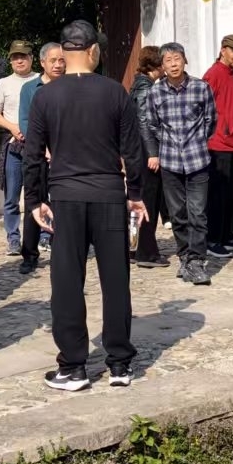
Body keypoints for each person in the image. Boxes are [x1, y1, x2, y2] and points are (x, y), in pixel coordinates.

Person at [23, 19, 146, 391]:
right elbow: (133, 151)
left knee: (66, 282)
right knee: (116, 279)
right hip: (109, 195)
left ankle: (73, 366)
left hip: (66, 197)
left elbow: (33, 154)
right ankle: (120, 363)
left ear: (63, 53)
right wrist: (135, 194)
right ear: (94, 51)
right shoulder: (115, 92)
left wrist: (35, 199)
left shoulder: (46, 96)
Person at [141, 41, 216, 285]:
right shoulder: (155, 92)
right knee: (178, 214)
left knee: (198, 213)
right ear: (162, 66)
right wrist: (162, 145)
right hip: (170, 161)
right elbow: (151, 124)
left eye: (177, 59)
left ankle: (196, 261)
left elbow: (210, 120)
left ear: (185, 61)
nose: (173, 64)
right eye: (168, 61)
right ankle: (184, 256)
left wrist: (197, 140)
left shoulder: (200, 88)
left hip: (197, 160)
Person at [15, 42, 65, 276]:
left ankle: (61, 249)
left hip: (64, 155)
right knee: (34, 203)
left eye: (61, 60)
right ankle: (29, 254)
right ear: (43, 62)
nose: (58, 65)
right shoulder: (30, 89)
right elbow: (25, 121)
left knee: (62, 203)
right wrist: (42, 148)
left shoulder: (69, 86)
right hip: (36, 155)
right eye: (53, 60)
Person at [0, 40, 38, 255]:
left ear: (31, 58)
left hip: (38, 144)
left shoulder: (41, 80)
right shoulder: (4, 83)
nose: (19, 60)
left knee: (39, 192)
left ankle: (43, 236)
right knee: (12, 196)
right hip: (14, 144)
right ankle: (13, 238)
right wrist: (12, 127)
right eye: (15, 57)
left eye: (23, 56)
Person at [202, 35, 233, 257]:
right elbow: (202, 105)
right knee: (218, 195)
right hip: (219, 144)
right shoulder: (214, 74)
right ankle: (213, 239)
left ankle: (227, 235)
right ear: (223, 50)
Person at [128, 45, 170, 268]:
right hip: (146, 154)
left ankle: (133, 247)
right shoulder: (146, 89)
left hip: (138, 152)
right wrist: (153, 153)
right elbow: (144, 123)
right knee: (148, 203)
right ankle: (146, 252)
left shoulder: (139, 85)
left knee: (139, 202)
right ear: (157, 65)